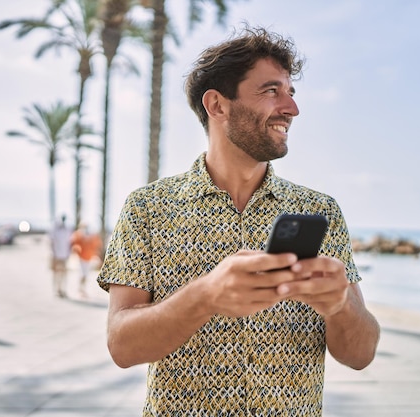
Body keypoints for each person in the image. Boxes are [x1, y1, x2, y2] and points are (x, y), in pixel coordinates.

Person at [97, 26, 380, 415]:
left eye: (290, 93)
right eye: (271, 91)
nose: (291, 109)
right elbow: (122, 347)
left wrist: (341, 305)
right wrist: (205, 295)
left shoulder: (321, 211)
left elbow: (361, 354)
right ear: (217, 105)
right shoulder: (148, 208)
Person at [71, 222, 102, 297]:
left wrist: (96, 255)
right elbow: (74, 244)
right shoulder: (78, 234)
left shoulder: (91, 235)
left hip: (89, 258)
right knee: (82, 274)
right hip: (81, 258)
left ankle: (83, 289)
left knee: (86, 274)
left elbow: (96, 245)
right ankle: (81, 289)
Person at [49, 214, 71, 298]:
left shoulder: (67, 229)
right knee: (56, 273)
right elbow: (51, 242)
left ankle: (63, 289)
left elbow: (69, 243)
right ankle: (57, 289)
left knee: (64, 274)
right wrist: (53, 254)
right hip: (56, 255)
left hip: (65, 255)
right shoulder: (54, 229)